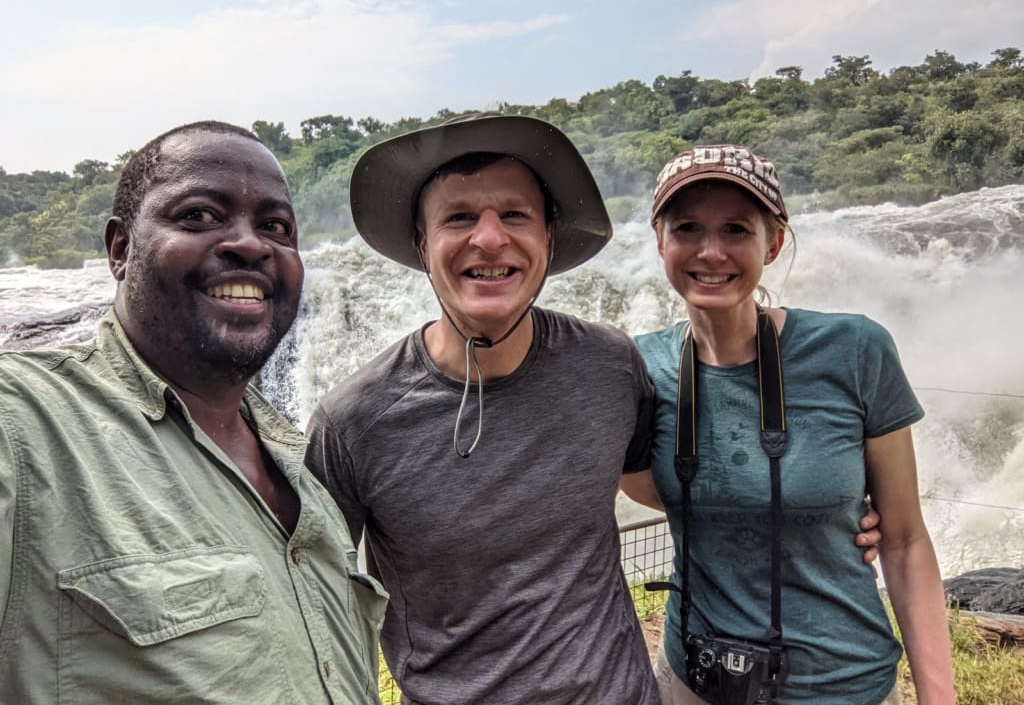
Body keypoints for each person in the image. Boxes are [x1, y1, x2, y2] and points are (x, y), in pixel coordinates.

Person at [0, 121, 387, 705]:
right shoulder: (25, 427)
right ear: (120, 248)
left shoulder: (302, 471)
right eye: (199, 216)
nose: (251, 244)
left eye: (275, 227)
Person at [305, 113, 662, 704]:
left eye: (514, 215)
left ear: (549, 235)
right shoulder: (352, 424)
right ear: (424, 245)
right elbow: (320, 606)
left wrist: (822, 508)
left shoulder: (611, 365)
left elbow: (657, 486)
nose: (490, 238)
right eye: (460, 218)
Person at [626, 145, 955, 704]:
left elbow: (902, 540)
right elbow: (641, 484)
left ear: (772, 243)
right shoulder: (640, 367)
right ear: (661, 241)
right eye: (687, 229)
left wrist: (938, 696)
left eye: (735, 229)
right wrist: (759, 499)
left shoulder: (854, 350)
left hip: (843, 683)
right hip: (696, 678)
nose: (711, 251)